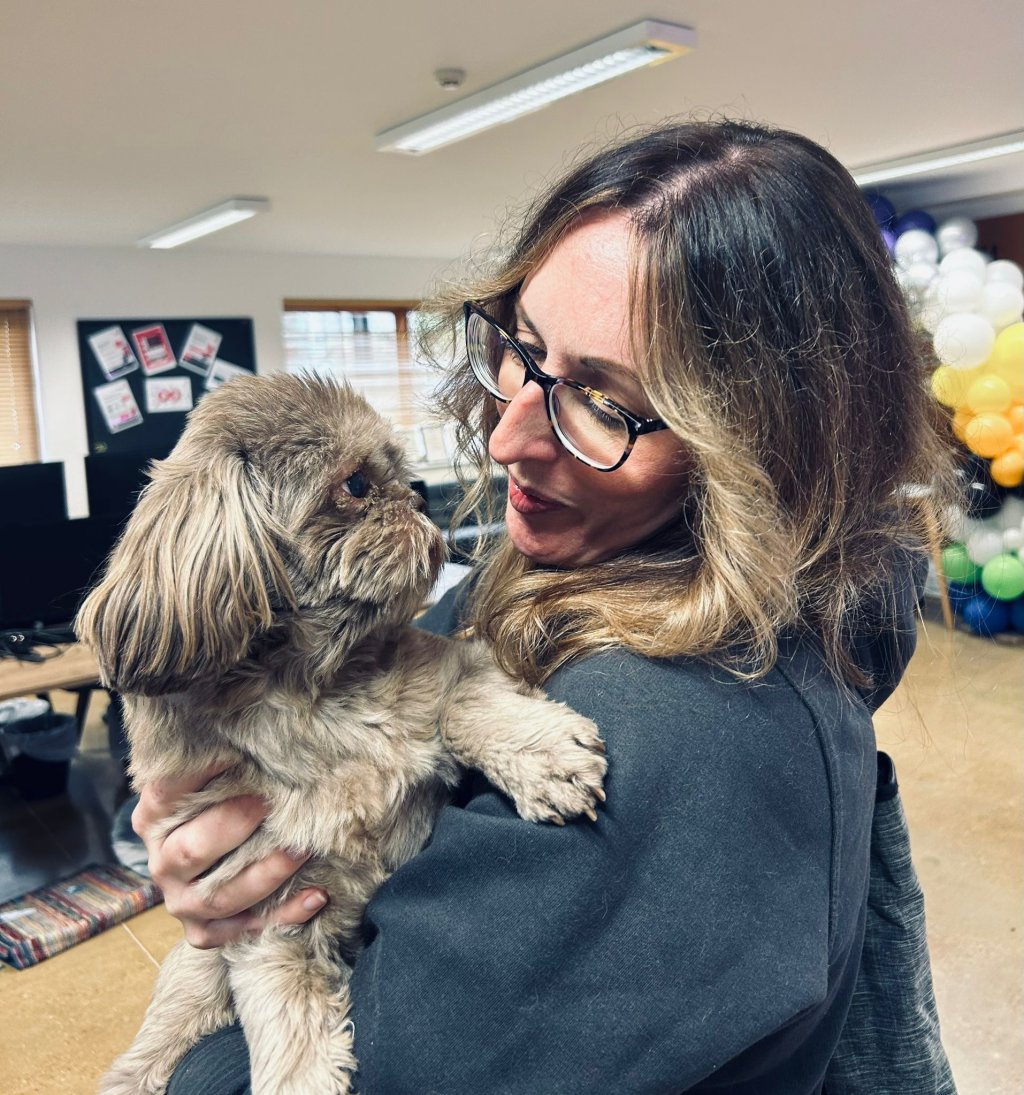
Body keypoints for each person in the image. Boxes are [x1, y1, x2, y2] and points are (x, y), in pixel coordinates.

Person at [134, 119, 956, 1094]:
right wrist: (228, 867)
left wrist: (232, 994)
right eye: (523, 351)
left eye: (603, 402)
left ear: (762, 450)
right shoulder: (576, 571)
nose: (507, 437)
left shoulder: (666, 733)